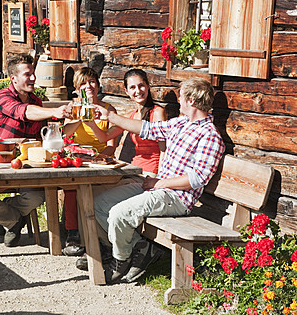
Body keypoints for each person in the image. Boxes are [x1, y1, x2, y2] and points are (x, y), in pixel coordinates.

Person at [91, 77, 225, 284]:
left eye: (181, 96)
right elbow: (147, 129)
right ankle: (140, 248)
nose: (178, 100)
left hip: (177, 197)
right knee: (100, 204)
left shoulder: (209, 135)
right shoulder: (180, 123)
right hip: (158, 188)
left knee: (119, 213)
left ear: (191, 100)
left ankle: (120, 260)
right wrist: (110, 116)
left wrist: (159, 183)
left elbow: (198, 178)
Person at [0, 54, 72, 247]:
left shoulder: (36, 100)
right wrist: (53, 111)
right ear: (14, 78)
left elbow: (43, 133)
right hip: (0, 162)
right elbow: (24, 112)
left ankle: (9, 214)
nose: (33, 78)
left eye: (33, 73)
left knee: (39, 195)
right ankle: (14, 220)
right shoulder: (3, 97)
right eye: (28, 74)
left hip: (27, 164)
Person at [61, 67, 117, 256]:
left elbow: (111, 145)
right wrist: (80, 116)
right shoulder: (73, 107)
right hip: (77, 156)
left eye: (91, 81)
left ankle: (95, 235)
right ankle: (73, 233)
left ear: (98, 84)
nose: (88, 86)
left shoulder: (107, 109)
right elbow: (64, 135)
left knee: (93, 188)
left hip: (99, 158)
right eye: (83, 83)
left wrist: (102, 156)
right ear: (77, 88)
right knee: (71, 186)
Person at [85, 68, 167, 176]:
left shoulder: (157, 112)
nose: (137, 91)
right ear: (126, 91)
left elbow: (164, 150)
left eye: (141, 85)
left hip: (150, 172)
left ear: (148, 86)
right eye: (132, 87)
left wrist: (160, 179)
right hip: (133, 169)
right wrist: (91, 124)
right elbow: (104, 137)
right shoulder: (131, 116)